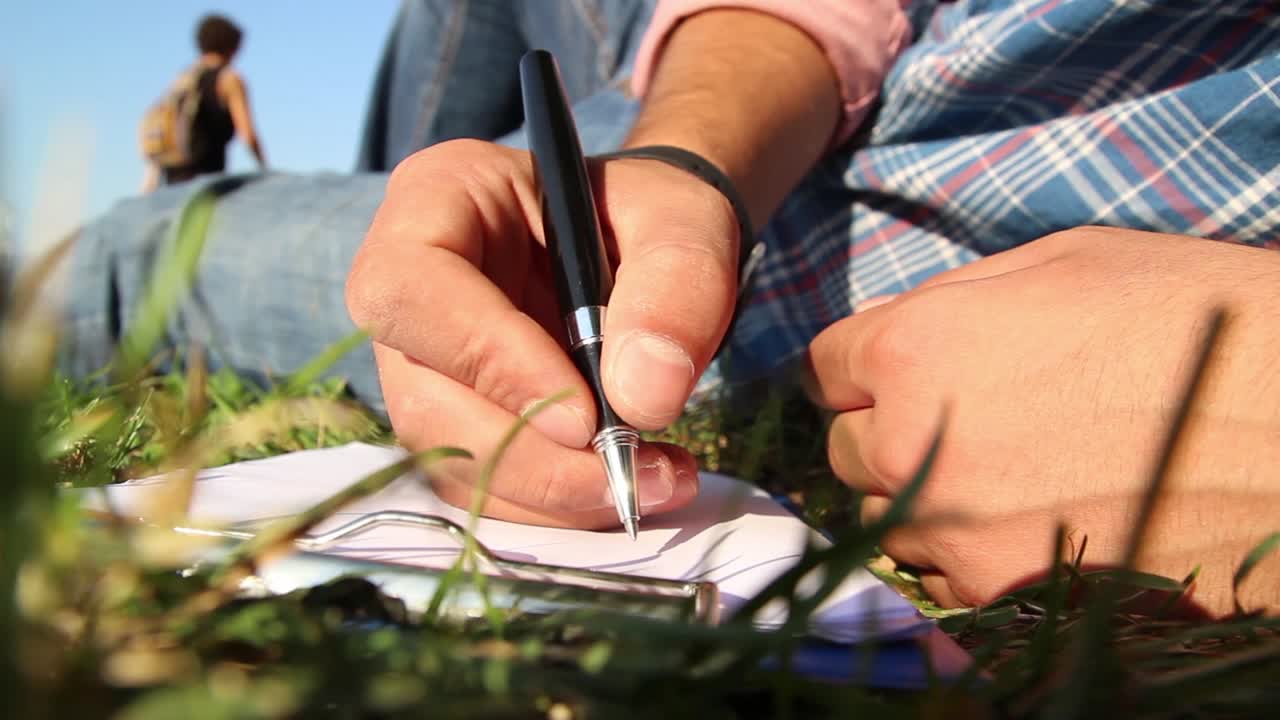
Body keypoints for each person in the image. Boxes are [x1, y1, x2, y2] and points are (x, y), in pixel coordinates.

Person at [62, 0, 1278, 616]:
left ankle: (379, 191)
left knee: (143, 249)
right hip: (722, 129)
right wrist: (689, 158)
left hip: (814, 267)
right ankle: (402, 192)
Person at [142, 13, 267, 189]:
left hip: (173, 184)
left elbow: (163, 131)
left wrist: (149, 186)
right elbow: (247, 134)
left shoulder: (182, 81)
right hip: (207, 182)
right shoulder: (229, 79)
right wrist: (265, 169)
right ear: (231, 45)